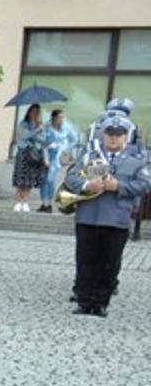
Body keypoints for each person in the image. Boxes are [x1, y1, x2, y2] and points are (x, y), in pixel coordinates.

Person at [66, 114, 148, 316]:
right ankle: (84, 301)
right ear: (103, 135)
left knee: (110, 263)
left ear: (125, 137)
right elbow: (71, 178)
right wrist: (87, 185)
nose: (113, 138)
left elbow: (145, 184)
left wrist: (119, 186)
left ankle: (101, 302)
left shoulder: (135, 161)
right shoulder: (90, 156)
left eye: (118, 134)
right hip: (88, 217)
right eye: (110, 133)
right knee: (85, 261)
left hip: (116, 219)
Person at [11, 103, 47, 212]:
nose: (35, 114)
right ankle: (18, 201)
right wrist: (35, 131)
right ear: (29, 112)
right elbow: (23, 136)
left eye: (37, 112)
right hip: (23, 153)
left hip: (34, 154)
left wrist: (39, 131)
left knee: (30, 179)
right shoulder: (23, 124)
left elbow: (43, 139)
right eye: (33, 112)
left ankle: (25, 201)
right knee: (20, 178)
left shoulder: (40, 125)